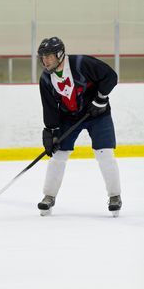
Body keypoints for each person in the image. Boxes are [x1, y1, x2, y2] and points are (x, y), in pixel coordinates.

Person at [37, 36, 122, 217]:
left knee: (104, 153)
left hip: (98, 115)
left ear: (60, 55)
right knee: (58, 155)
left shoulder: (81, 63)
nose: (45, 61)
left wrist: (100, 100)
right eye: (43, 57)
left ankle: (115, 195)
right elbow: (50, 107)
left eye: (49, 56)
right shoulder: (45, 79)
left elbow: (110, 77)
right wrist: (50, 131)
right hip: (69, 118)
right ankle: (49, 196)